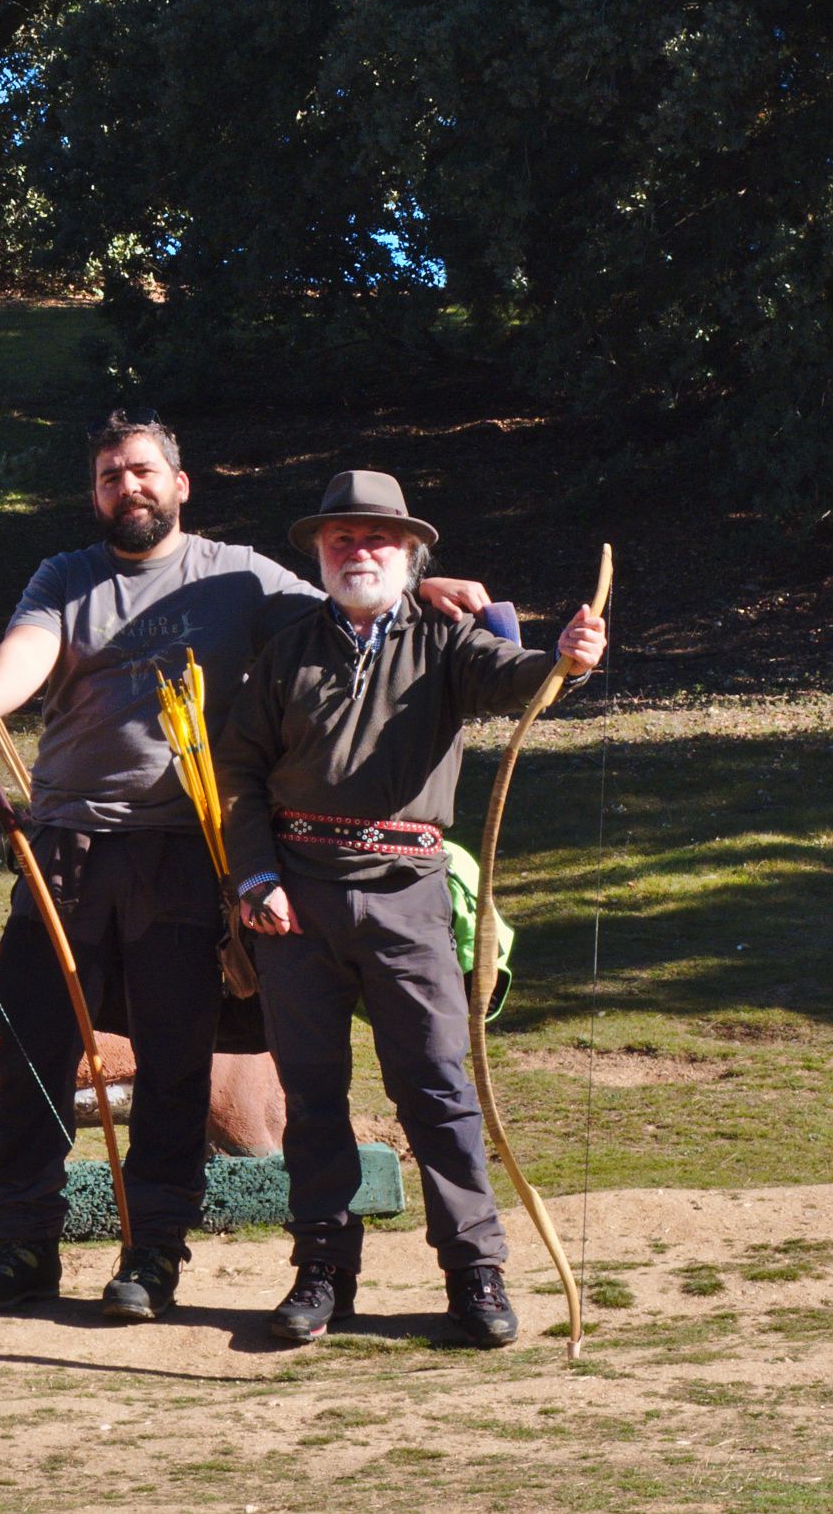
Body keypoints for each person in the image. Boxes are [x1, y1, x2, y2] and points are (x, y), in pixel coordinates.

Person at [0, 412, 493, 1321]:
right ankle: (24, 1244)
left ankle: (154, 1253)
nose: (127, 486)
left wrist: (421, 588)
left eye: (142, 471)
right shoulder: (65, 576)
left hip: (186, 854)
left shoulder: (241, 576)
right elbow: (29, 652)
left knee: (175, 1059)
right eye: (110, 476)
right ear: (95, 493)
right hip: (65, 845)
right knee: (32, 1047)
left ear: (180, 484)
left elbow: (350, 604)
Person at [216, 469, 606, 1347]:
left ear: (410, 554)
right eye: (343, 538)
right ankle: (323, 1270)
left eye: (378, 538)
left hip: (409, 895)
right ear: (321, 554)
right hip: (295, 900)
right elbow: (238, 767)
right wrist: (254, 876)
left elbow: (518, 678)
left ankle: (475, 1271)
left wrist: (568, 659)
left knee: (437, 1084)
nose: (359, 551)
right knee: (310, 1093)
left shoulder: (447, 640)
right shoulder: (286, 648)